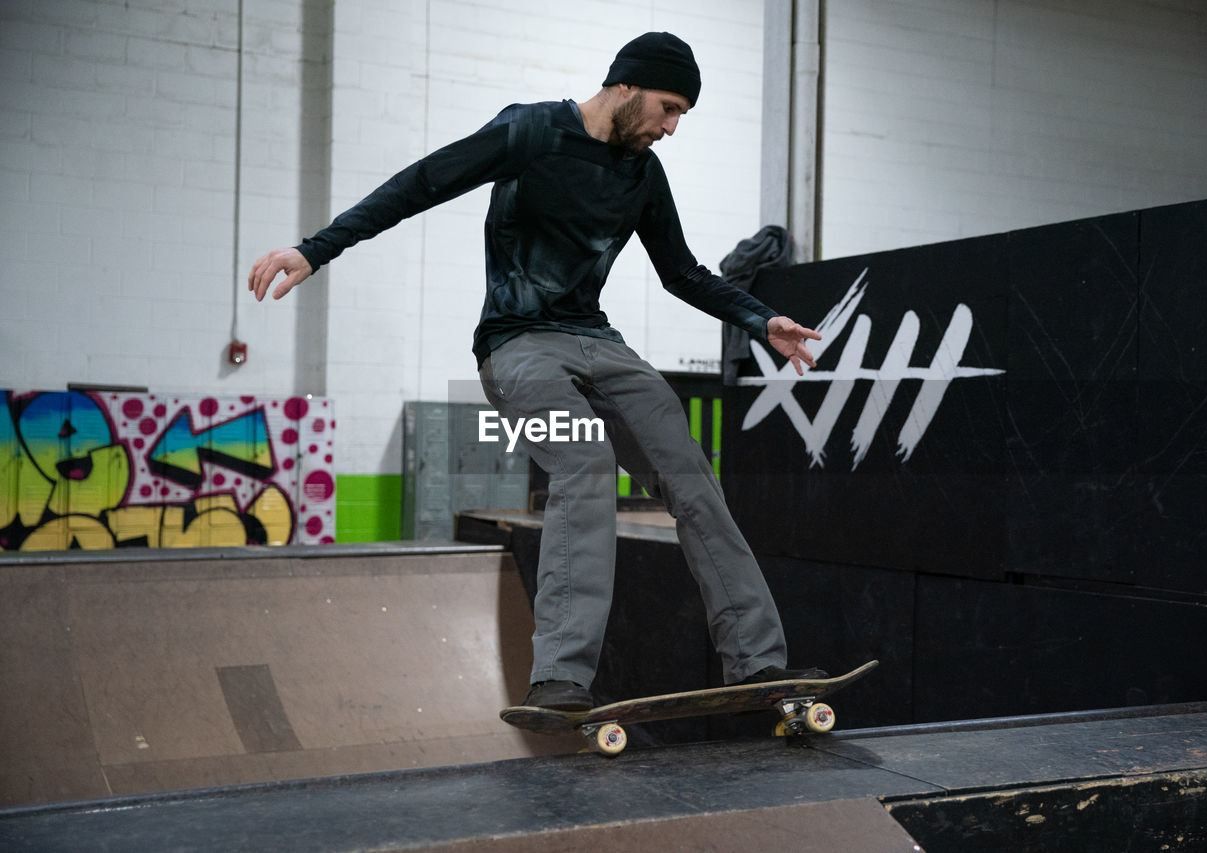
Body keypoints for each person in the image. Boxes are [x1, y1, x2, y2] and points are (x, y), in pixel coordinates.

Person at [249, 32, 826, 711]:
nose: (670, 129)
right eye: (667, 109)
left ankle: (757, 664)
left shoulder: (641, 173)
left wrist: (759, 318)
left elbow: (682, 273)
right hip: (517, 347)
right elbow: (419, 185)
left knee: (692, 475)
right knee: (584, 461)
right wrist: (315, 250)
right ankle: (561, 675)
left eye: (681, 118)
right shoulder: (529, 131)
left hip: (600, 345)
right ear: (626, 86)